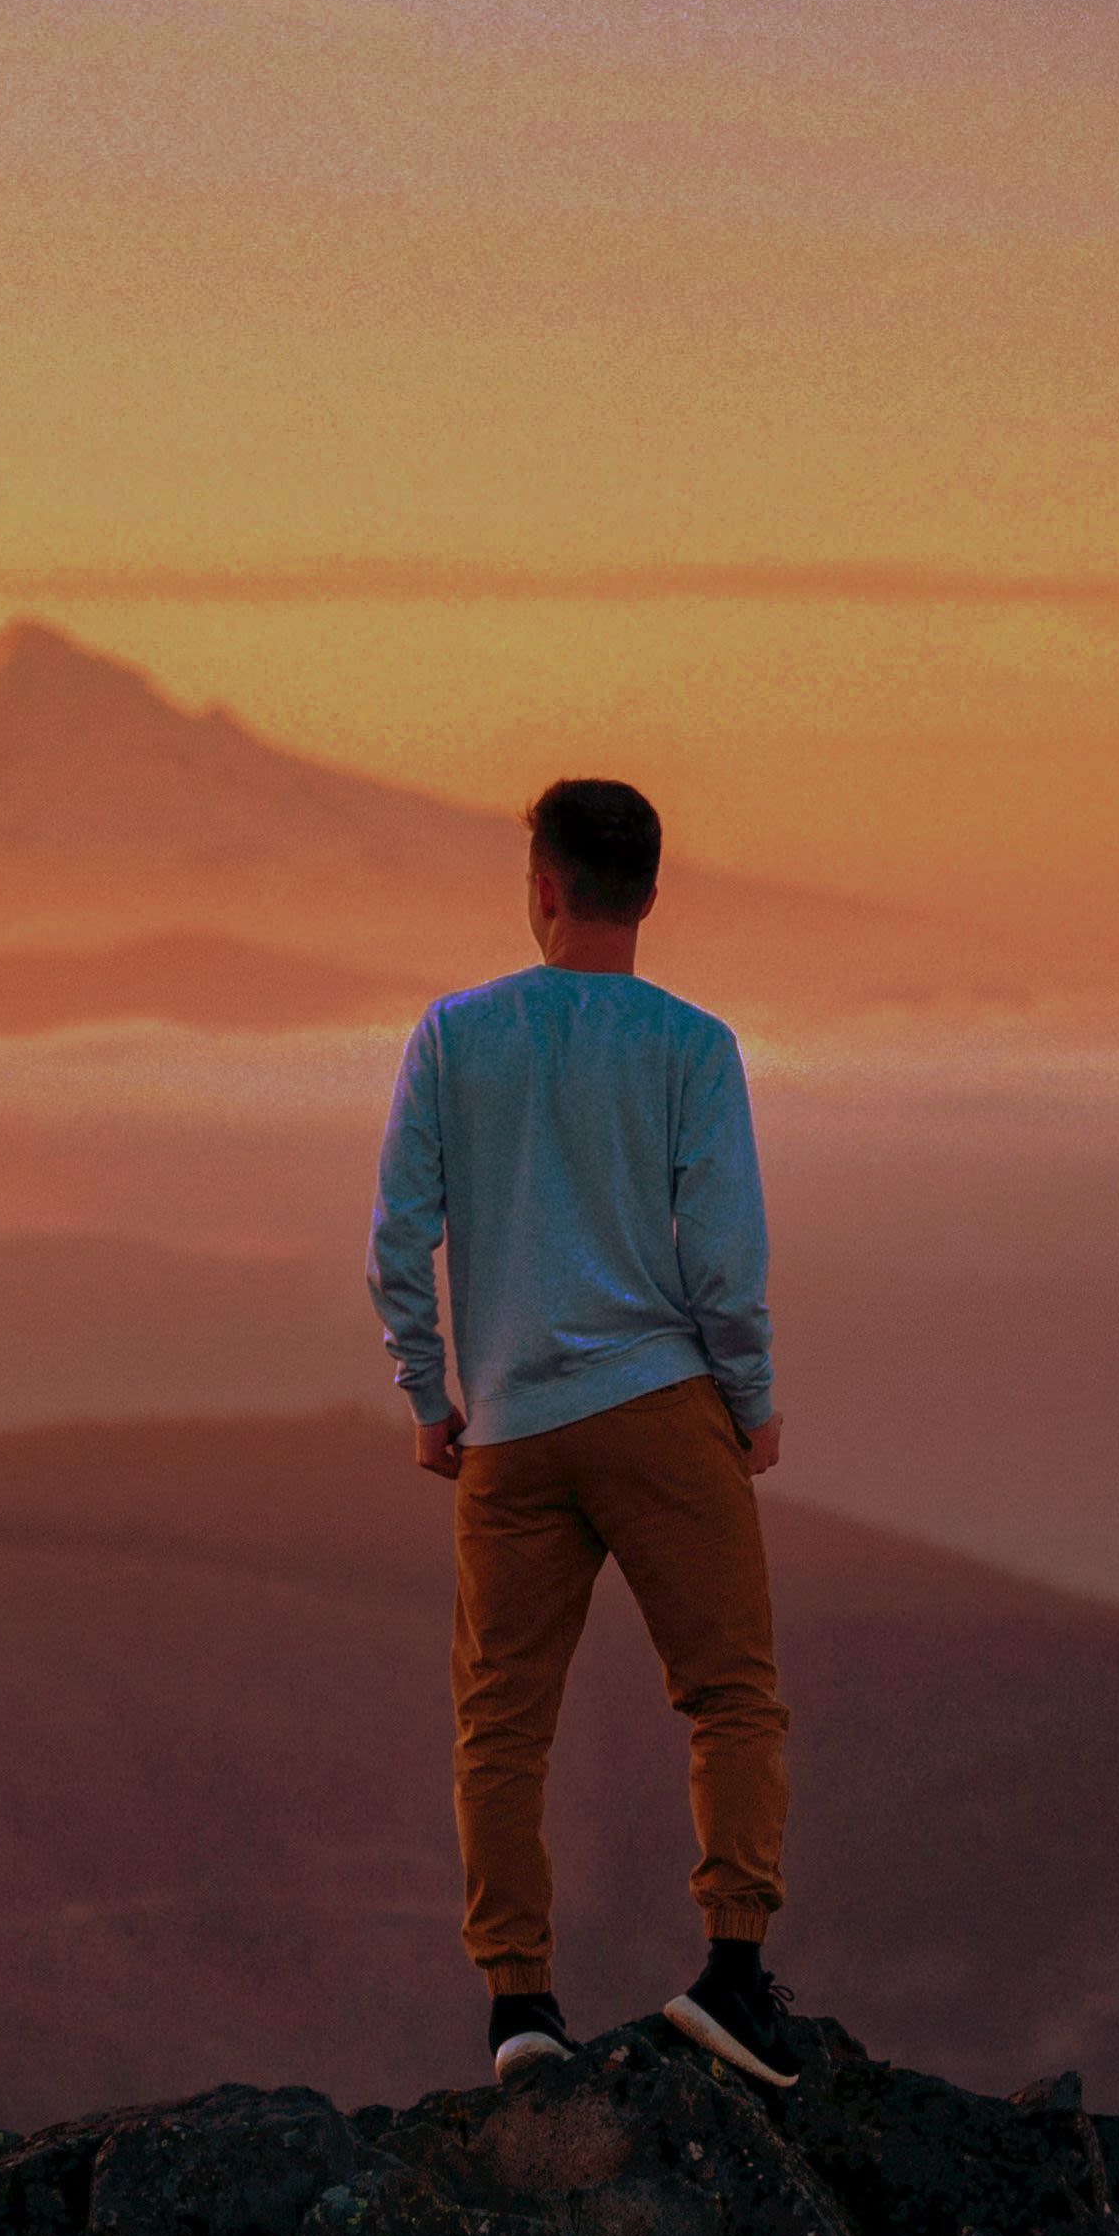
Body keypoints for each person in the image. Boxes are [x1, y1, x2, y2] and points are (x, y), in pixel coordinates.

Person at [366, 777, 800, 2089]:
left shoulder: (454, 1036)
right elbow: (721, 1257)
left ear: (542, 888)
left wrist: (429, 1395)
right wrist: (749, 1400)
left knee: (501, 1724)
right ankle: (731, 1974)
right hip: (660, 1404)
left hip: (508, 1427)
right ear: (650, 895)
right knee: (729, 1691)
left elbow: (397, 1239)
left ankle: (518, 2006)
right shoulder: (691, 1046)